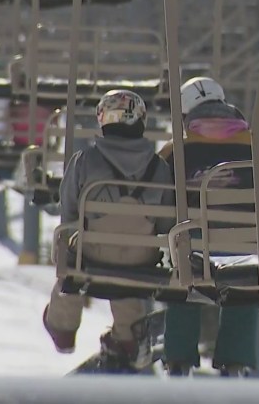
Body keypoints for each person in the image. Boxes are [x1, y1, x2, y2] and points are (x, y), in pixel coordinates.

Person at [158, 76, 259, 377]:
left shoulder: (175, 149)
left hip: (192, 245)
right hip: (246, 244)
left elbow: (156, 192)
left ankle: (178, 358)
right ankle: (235, 360)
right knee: (246, 280)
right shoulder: (258, 145)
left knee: (183, 276)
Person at [42, 90, 174, 370]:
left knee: (73, 265)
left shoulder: (84, 161)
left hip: (93, 254)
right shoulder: (159, 168)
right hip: (141, 259)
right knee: (127, 276)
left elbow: (69, 211)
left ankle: (63, 327)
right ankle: (128, 334)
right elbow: (166, 222)